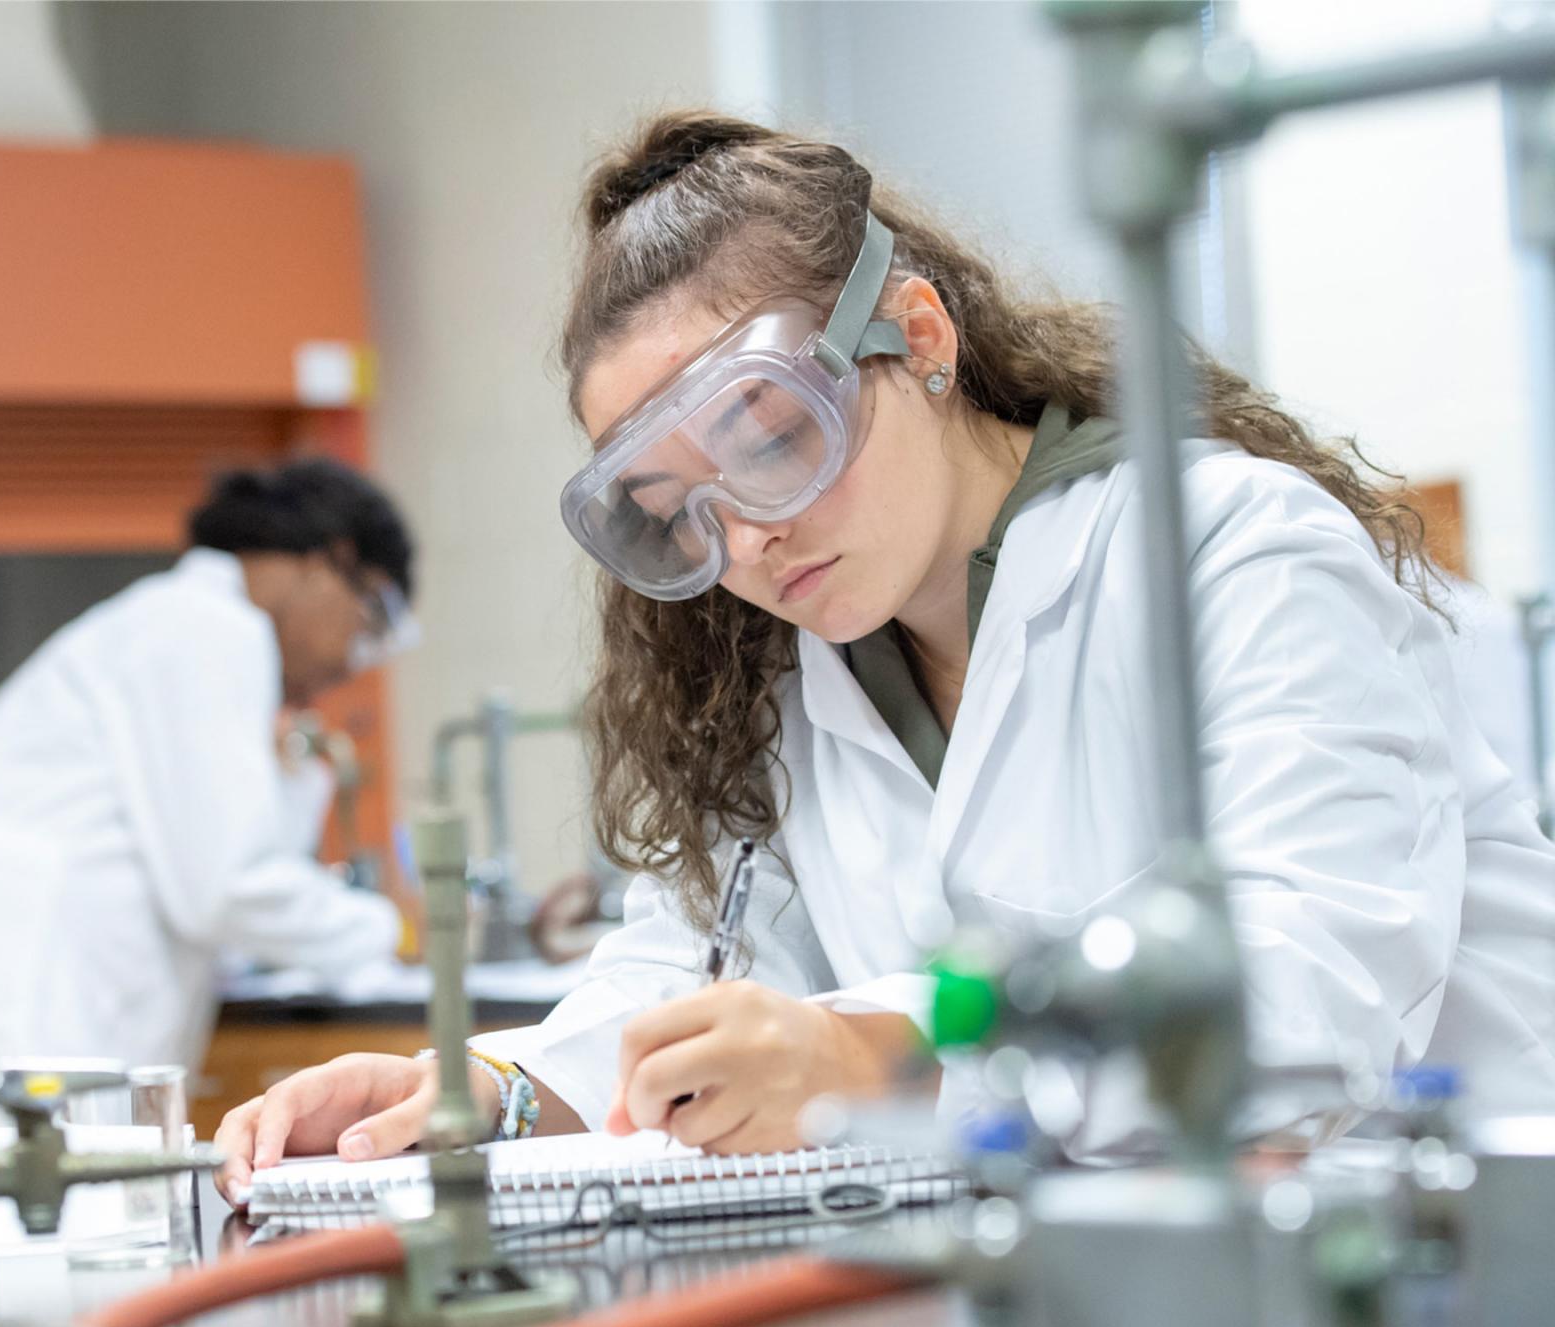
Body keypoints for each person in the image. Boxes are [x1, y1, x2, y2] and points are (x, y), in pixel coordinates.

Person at [212, 113, 1555, 1203]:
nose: (743, 538)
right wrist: (486, 1093)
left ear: (917, 336)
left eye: (770, 434)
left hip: (1444, 1278)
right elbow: (686, 974)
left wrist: (879, 1048)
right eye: (676, 509)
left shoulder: (1233, 552)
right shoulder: (803, 673)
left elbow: (1300, 999)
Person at [0, 457, 414, 1074]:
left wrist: (291, 770)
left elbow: (223, 874)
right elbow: (228, 890)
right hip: (35, 1017)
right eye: (373, 617)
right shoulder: (207, 628)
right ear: (327, 562)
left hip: (51, 1015)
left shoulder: (179, 627)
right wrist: (400, 933)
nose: (358, 659)